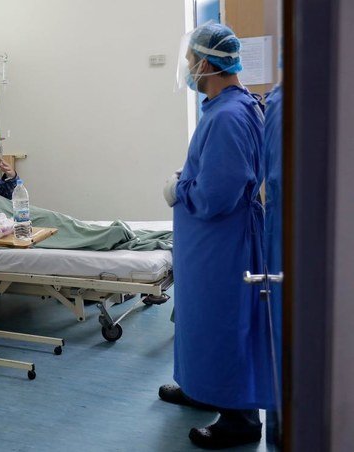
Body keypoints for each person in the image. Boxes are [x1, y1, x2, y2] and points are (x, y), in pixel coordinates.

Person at [160, 23, 275, 449]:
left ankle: (239, 418)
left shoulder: (228, 115)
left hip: (222, 246)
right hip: (206, 246)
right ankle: (199, 386)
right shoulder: (226, 106)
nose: (189, 68)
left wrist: (180, 188)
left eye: (191, 61)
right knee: (198, 322)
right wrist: (188, 175)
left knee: (223, 324)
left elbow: (218, 195)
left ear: (206, 63)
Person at [0, 141, 173, 252]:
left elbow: (8, 193)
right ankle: (109, 235)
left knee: (52, 219)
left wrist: (11, 175)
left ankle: (108, 234)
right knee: (45, 229)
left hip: (2, 209)